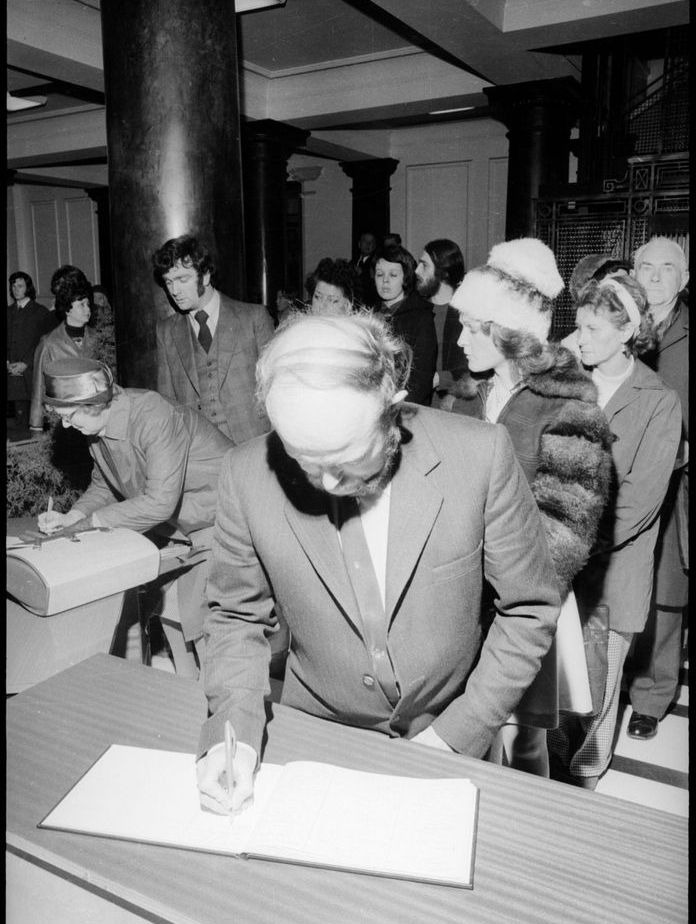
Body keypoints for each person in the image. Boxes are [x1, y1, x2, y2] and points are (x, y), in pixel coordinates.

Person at [195, 310, 562, 814]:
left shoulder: (480, 455)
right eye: (303, 457)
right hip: (314, 739)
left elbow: (528, 609)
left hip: (453, 728)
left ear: (392, 405)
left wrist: (457, 735)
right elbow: (236, 617)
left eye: (346, 455)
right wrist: (230, 735)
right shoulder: (244, 475)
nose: (325, 482)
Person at [449, 238, 614, 776]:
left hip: (522, 602)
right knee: (460, 728)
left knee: (520, 744)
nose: (459, 339)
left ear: (509, 331)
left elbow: (566, 532)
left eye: (473, 327)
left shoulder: (568, 403)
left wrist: (508, 591)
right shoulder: (466, 395)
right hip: (458, 595)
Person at [547, 271, 682, 788]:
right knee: (555, 685)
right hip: (558, 566)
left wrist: (569, 541)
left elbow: (641, 503)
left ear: (627, 333)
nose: (579, 339)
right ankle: (555, 776)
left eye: (593, 330)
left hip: (611, 573)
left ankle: (585, 786)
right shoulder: (567, 385)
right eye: (577, 327)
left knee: (598, 696)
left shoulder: (658, 400)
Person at [36, 357, 234, 672]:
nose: (65, 425)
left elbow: (159, 502)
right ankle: (188, 683)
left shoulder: (152, 415)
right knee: (160, 604)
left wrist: (91, 524)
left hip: (222, 519)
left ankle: (213, 692)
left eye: (69, 415)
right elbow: (105, 485)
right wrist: (73, 516)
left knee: (200, 615)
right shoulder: (99, 425)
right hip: (179, 526)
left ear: (94, 403)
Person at [625, 236, 689, 739]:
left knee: (667, 593)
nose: (656, 276)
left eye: (668, 268)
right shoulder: (618, 325)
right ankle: (610, 682)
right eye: (647, 267)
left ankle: (650, 695)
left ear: (684, 279)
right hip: (622, 477)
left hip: (677, 483)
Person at [153, 233, 275, 445]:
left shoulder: (253, 318)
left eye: (183, 279)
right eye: (169, 282)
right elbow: (167, 402)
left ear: (206, 275)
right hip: (200, 452)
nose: (174, 290)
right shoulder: (166, 331)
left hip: (254, 445)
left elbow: (277, 388)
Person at [29, 265, 99, 434]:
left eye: (88, 304)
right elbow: (39, 391)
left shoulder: (98, 338)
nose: (88, 309)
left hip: (97, 421)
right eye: (81, 305)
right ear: (67, 307)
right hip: (65, 423)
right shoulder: (49, 343)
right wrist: (36, 429)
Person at [414, 238, 474, 408]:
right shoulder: (415, 308)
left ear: (444, 273)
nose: (417, 271)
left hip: (455, 407)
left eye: (424, 265)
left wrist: (439, 379)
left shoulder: (468, 313)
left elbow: (478, 368)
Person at [374, 244, 437, 405]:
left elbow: (421, 380)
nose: (385, 280)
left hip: (406, 408)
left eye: (393, 275)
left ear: (405, 278)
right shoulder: (369, 315)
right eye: (379, 274)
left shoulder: (421, 317)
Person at [7, 271, 51, 434]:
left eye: (20, 285)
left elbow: (44, 343)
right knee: (19, 421)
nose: (15, 289)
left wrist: (26, 363)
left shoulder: (40, 312)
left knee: (37, 421)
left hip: (33, 372)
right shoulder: (9, 312)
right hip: (13, 373)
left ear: (28, 288)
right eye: (13, 285)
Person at [353, 231, 379, 309]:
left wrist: (362, 274)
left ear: (374, 246)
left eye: (371, 242)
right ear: (359, 244)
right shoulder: (353, 262)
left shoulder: (376, 263)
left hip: (369, 306)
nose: (368, 244)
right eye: (365, 241)